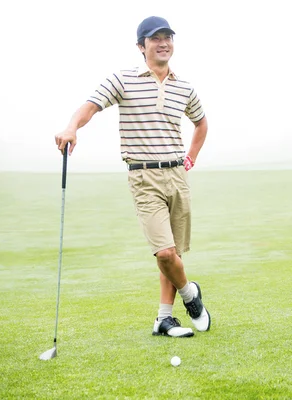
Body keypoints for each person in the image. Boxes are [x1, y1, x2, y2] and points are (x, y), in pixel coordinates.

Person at [54, 16, 210, 338]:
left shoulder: (184, 86)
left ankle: (164, 320)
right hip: (143, 176)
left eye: (168, 37)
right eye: (155, 38)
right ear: (141, 46)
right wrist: (71, 127)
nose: (163, 42)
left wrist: (191, 156)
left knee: (174, 254)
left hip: (177, 176)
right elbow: (91, 106)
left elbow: (201, 123)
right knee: (165, 252)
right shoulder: (123, 80)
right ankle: (190, 295)